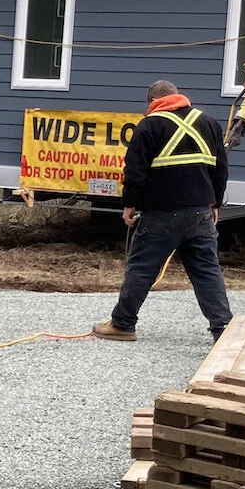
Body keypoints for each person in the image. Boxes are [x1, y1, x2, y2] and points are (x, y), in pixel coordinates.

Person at [93, 80, 233, 342]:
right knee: (206, 271)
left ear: (152, 102)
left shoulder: (150, 124)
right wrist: (214, 204)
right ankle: (223, 329)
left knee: (142, 268)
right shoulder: (209, 123)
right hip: (201, 212)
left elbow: (135, 171)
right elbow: (221, 169)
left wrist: (129, 204)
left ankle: (122, 324)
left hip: (161, 213)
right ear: (178, 97)